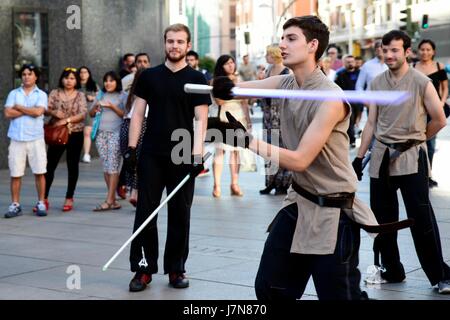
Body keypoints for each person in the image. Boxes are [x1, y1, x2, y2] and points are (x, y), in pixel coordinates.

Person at [212, 15, 379, 300]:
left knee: (339, 297)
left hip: (332, 212)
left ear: (313, 45)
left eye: (291, 39)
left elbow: (301, 160)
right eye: (282, 38)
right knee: (271, 289)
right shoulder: (287, 83)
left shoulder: (330, 98)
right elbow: (250, 87)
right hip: (298, 202)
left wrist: (247, 141)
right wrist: (228, 87)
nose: (282, 45)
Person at [352, 30, 450, 294]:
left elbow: (439, 119)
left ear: (407, 52)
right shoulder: (376, 82)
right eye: (386, 50)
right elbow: (370, 122)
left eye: (395, 50)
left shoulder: (421, 82)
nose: (389, 55)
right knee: (382, 220)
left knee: (421, 219)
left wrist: (417, 140)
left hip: (411, 158)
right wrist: (359, 157)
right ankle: (391, 270)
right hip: (381, 157)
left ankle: (440, 276)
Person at [123, 23, 210, 292]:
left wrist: (197, 157)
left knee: (180, 213)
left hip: (183, 154)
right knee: (145, 213)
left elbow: (201, 119)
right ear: (164, 43)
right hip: (151, 153)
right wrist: (131, 149)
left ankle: (176, 268)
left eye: (180, 41)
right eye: (170, 41)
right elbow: (137, 113)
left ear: (188, 45)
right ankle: (143, 269)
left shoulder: (198, 78)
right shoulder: (149, 76)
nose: (174, 46)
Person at [4, 64, 48, 218]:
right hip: (17, 138)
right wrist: (28, 110)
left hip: (36, 138)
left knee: (40, 172)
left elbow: (38, 112)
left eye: (30, 74)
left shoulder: (41, 94)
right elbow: (8, 113)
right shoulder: (13, 93)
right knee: (15, 173)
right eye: (23, 74)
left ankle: (41, 202)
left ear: (36, 76)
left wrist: (20, 107)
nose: (26, 76)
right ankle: (15, 204)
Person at [45, 67, 88, 212]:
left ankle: (69, 197)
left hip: (75, 134)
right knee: (50, 166)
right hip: (56, 134)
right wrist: (53, 112)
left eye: (72, 78)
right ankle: (43, 198)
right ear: (61, 79)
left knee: (72, 166)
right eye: (66, 77)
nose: (69, 81)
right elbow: (46, 108)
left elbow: (82, 114)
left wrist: (66, 120)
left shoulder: (80, 95)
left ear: (76, 80)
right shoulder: (54, 93)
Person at [211, 54, 252, 198]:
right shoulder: (215, 81)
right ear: (221, 66)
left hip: (238, 116)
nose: (231, 66)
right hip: (223, 117)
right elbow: (219, 102)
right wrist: (230, 84)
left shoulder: (239, 79)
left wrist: (248, 119)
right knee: (220, 152)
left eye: (232, 63)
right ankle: (217, 185)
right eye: (227, 63)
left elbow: (245, 102)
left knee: (236, 152)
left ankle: (235, 183)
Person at [413, 39, 449, 188]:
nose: (425, 52)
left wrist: (440, 103)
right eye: (422, 49)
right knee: (419, 143)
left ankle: (429, 174)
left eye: (428, 49)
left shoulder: (439, 67)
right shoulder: (413, 67)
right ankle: (419, 174)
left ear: (433, 51)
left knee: (431, 144)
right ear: (418, 51)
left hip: (434, 111)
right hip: (418, 111)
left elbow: (445, 87)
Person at [89, 71, 126, 211]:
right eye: (106, 80)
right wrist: (96, 107)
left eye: (111, 80)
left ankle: (109, 200)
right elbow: (91, 114)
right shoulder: (100, 95)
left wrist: (112, 106)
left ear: (117, 82)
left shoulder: (123, 96)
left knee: (113, 166)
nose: (108, 83)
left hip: (116, 134)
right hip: (101, 134)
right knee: (106, 167)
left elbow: (126, 115)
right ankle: (113, 200)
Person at [259, 44, 292, 195]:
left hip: (281, 116)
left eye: (268, 54)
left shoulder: (287, 71)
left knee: (281, 148)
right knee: (268, 149)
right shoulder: (268, 70)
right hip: (267, 115)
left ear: (274, 55)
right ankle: (270, 181)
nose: (266, 56)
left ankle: (282, 183)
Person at [355, 40, 388, 133]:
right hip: (372, 105)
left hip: (389, 106)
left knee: (388, 134)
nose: (378, 48)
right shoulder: (367, 66)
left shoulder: (392, 64)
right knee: (373, 133)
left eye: (381, 46)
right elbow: (359, 85)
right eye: (376, 47)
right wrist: (364, 101)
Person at [334, 55, 362, 148]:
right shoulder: (340, 74)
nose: (350, 63)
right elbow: (336, 88)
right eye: (348, 62)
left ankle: (356, 129)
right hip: (347, 102)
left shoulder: (360, 73)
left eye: (352, 61)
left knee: (357, 119)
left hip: (359, 101)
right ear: (344, 63)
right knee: (350, 120)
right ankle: (352, 139)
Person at [78, 66, 99, 164]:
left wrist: (93, 97)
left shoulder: (93, 84)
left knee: (87, 133)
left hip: (89, 111)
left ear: (89, 73)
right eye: (81, 72)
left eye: (85, 72)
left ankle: (86, 154)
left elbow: (99, 97)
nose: (83, 74)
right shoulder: (75, 84)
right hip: (76, 112)